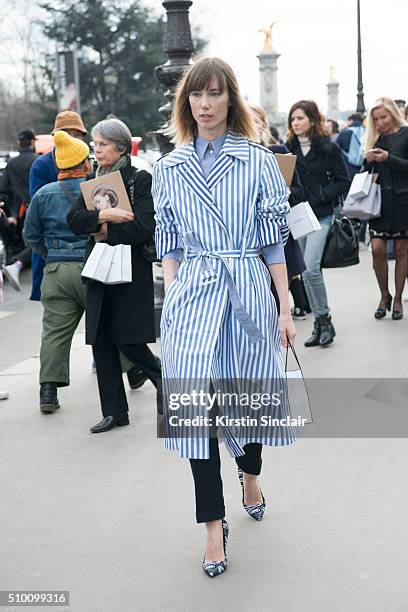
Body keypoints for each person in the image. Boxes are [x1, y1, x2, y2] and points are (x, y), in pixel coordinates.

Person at [152, 57, 297, 578]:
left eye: (215, 94)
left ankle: (250, 471)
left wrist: (284, 306)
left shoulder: (256, 160)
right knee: (194, 410)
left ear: (230, 100)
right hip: (193, 292)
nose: (206, 104)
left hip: (247, 288)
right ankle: (213, 525)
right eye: (197, 95)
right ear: (185, 102)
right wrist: (175, 298)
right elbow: (167, 242)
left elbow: (272, 240)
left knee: (250, 397)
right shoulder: (168, 168)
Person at [67, 117, 161, 433]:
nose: (97, 149)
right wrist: (104, 215)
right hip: (97, 271)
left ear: (120, 146)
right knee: (101, 339)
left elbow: (145, 226)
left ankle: (164, 381)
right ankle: (115, 411)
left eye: (102, 143)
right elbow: (74, 219)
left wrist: (105, 233)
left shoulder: (139, 179)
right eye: (95, 144)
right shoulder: (94, 181)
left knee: (128, 338)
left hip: (130, 270)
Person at [23, 131, 90, 413]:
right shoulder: (95, 188)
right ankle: (133, 369)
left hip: (56, 270)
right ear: (83, 163)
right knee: (109, 322)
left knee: (54, 332)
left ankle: (48, 391)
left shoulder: (42, 194)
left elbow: (30, 235)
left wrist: (50, 254)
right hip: (91, 268)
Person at [286, 100, 350, 347]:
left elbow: (343, 180)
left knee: (311, 267)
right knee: (304, 271)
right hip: (298, 215)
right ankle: (319, 324)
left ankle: (325, 319)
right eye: (293, 119)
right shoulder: (288, 149)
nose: (295, 123)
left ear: (312, 120)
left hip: (321, 214)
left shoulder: (328, 148)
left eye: (300, 118)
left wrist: (322, 195)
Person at [250, 104, 308, 319]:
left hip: (275, 234)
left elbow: (299, 192)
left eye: (253, 121)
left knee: (274, 296)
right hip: (246, 241)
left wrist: (280, 193)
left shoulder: (277, 153)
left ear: (263, 125)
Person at [28, 111, 88, 302]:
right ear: (57, 137)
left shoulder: (89, 161)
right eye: (68, 134)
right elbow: (38, 214)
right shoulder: (41, 166)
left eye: (77, 135)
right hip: (55, 254)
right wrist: (50, 252)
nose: (72, 139)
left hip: (88, 256)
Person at [363, 97, 408, 320]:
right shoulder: (374, 137)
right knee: (378, 250)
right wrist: (369, 160)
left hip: (402, 203)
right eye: (376, 119)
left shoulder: (406, 134)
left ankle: (398, 298)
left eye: (384, 117)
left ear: (393, 113)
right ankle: (384, 295)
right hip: (378, 203)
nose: (380, 122)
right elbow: (363, 173)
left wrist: (389, 158)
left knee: (402, 251)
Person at [0, 130, 38, 290]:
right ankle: (18, 264)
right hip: (36, 207)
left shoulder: (12, 164)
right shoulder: (38, 161)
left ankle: (18, 263)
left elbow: (3, 188)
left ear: (19, 143)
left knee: (28, 239)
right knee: (37, 240)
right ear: (32, 142)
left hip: (19, 211)